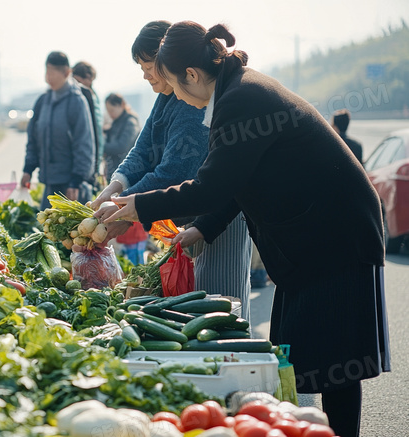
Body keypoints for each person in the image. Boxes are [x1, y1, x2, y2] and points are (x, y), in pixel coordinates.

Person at [101, 21, 390, 437]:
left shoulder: (240, 100)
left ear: (193, 76)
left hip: (335, 235)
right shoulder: (236, 91)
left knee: (336, 363)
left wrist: (139, 207)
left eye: (174, 85)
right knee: (310, 356)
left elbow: (212, 186)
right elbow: (236, 185)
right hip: (314, 234)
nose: (176, 96)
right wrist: (204, 228)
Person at [91, 21, 252, 320]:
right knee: (203, 309)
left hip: (218, 214)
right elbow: (142, 151)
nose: (145, 74)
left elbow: (174, 171)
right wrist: (115, 189)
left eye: (148, 65)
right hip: (192, 217)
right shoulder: (168, 95)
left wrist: (125, 210)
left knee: (224, 310)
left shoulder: (193, 98)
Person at [21, 51, 95, 209]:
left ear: (67, 73)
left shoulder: (77, 102)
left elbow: (84, 143)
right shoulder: (43, 101)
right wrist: (28, 169)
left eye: (53, 73)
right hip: (50, 183)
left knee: (73, 232)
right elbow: (33, 138)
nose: (49, 77)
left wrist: (76, 180)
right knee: (45, 230)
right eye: (47, 72)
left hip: (71, 187)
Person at [73, 61, 105, 186]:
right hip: (88, 157)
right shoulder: (87, 94)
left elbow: (95, 133)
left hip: (90, 157)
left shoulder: (89, 95)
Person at [102, 93, 140, 180]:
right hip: (115, 170)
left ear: (121, 105)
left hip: (127, 171)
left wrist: (101, 147)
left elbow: (122, 146)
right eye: (108, 111)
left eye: (112, 110)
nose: (110, 114)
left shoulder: (131, 122)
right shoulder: (116, 122)